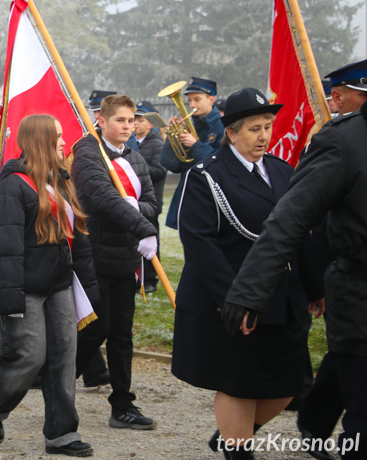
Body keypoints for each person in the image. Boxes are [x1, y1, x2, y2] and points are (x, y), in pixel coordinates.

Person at [223, 61, 367, 460]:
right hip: (359, 287)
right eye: (255, 127)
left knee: (347, 358)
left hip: (347, 300)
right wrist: (252, 290)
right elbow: (293, 222)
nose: (264, 136)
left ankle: (316, 421)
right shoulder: (343, 142)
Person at [173, 88, 324, 459]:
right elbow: (201, 246)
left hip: (279, 296)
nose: (263, 136)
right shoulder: (206, 176)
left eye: (268, 127)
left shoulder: (281, 170)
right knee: (238, 383)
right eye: (254, 128)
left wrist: (314, 286)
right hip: (228, 297)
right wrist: (235, 303)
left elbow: (298, 233)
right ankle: (237, 449)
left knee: (288, 384)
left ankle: (229, 436)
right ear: (231, 133)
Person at [0, 114, 98, 457]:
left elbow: (75, 239)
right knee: (29, 356)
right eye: (58, 137)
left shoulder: (59, 181)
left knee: (64, 359)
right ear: (41, 141)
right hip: (24, 289)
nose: (64, 143)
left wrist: (88, 286)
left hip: (59, 285)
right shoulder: (13, 187)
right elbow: (0, 247)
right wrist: (8, 299)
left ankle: (61, 433)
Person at [72, 94, 159, 430]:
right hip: (95, 256)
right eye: (120, 120)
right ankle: (57, 380)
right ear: (102, 121)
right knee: (95, 329)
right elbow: (102, 199)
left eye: (131, 120)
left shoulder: (136, 159)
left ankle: (122, 404)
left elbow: (152, 203)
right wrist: (137, 216)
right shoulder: (87, 153)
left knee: (122, 334)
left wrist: (135, 211)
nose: (127, 126)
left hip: (127, 259)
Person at [160, 76, 225, 229]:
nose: (192, 105)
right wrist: (172, 135)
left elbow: (220, 163)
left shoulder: (221, 127)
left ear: (211, 99)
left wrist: (196, 146)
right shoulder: (190, 125)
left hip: (210, 197)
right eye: (190, 101)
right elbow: (170, 163)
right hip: (189, 194)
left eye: (197, 99)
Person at [133, 101, 166, 294]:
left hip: (150, 201)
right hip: (136, 200)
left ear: (150, 124)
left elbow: (160, 171)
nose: (136, 123)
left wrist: (135, 166)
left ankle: (152, 278)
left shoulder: (156, 143)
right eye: (134, 119)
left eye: (140, 119)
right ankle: (139, 277)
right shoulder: (133, 142)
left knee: (151, 239)